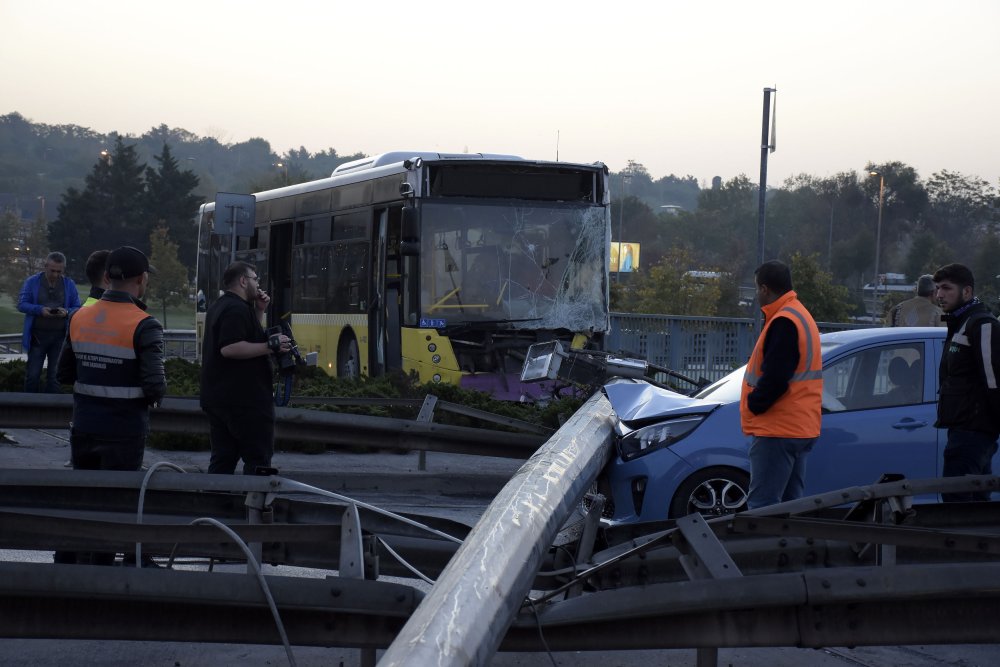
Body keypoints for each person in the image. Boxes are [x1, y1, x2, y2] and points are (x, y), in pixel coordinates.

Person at [55, 246, 166, 565]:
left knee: (84, 500)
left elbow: (63, 374)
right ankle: (101, 578)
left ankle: (69, 565)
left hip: (85, 426)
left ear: (106, 277)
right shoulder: (145, 324)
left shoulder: (79, 316)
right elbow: (155, 386)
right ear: (142, 280)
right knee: (116, 507)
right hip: (124, 432)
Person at [740, 260, 823, 510]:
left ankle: (761, 550)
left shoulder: (784, 320)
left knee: (763, 506)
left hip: (778, 428)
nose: (756, 294)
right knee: (789, 506)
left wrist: (755, 403)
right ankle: (786, 549)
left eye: (756, 289)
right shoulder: (799, 314)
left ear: (765, 289)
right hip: (800, 425)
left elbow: (777, 375)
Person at [200, 261, 291, 475]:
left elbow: (247, 337)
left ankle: (217, 503)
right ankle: (254, 506)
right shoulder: (235, 309)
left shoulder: (223, 306)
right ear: (243, 281)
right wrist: (270, 345)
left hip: (220, 398)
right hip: (244, 402)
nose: (258, 284)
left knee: (223, 459)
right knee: (258, 460)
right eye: (255, 278)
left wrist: (259, 311)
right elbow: (230, 348)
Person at [932, 263, 1000, 502]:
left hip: (973, 432)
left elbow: (994, 383)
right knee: (974, 505)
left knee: (957, 504)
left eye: (947, 288)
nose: (939, 294)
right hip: (962, 429)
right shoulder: (960, 322)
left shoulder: (981, 325)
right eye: (938, 288)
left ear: (967, 292)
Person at [17, 251, 82, 392]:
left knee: (54, 377)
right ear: (45, 266)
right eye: (52, 271)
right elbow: (21, 304)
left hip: (60, 337)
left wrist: (67, 312)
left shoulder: (69, 284)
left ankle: (51, 411)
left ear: (63, 269)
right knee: (33, 375)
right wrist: (40, 310)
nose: (55, 275)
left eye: (59, 271)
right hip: (37, 337)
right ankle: (29, 408)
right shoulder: (32, 282)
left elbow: (78, 307)